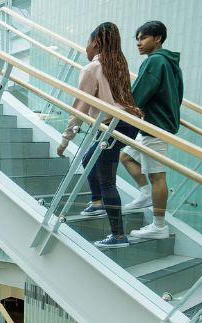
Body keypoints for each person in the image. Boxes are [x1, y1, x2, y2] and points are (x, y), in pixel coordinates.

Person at [57, 22, 142, 248]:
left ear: (95, 43)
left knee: (107, 181)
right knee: (88, 159)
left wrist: (65, 140)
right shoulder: (117, 65)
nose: (85, 48)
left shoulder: (92, 69)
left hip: (112, 125)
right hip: (128, 124)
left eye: (87, 43)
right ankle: (97, 202)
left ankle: (118, 236)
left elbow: (79, 108)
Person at [120, 20, 183, 241]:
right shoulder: (170, 63)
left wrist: (131, 108)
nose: (138, 43)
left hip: (156, 125)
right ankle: (145, 194)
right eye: (137, 39)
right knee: (127, 156)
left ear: (158, 39)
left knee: (157, 176)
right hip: (157, 123)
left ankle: (159, 226)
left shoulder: (155, 61)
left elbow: (137, 95)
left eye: (143, 38)